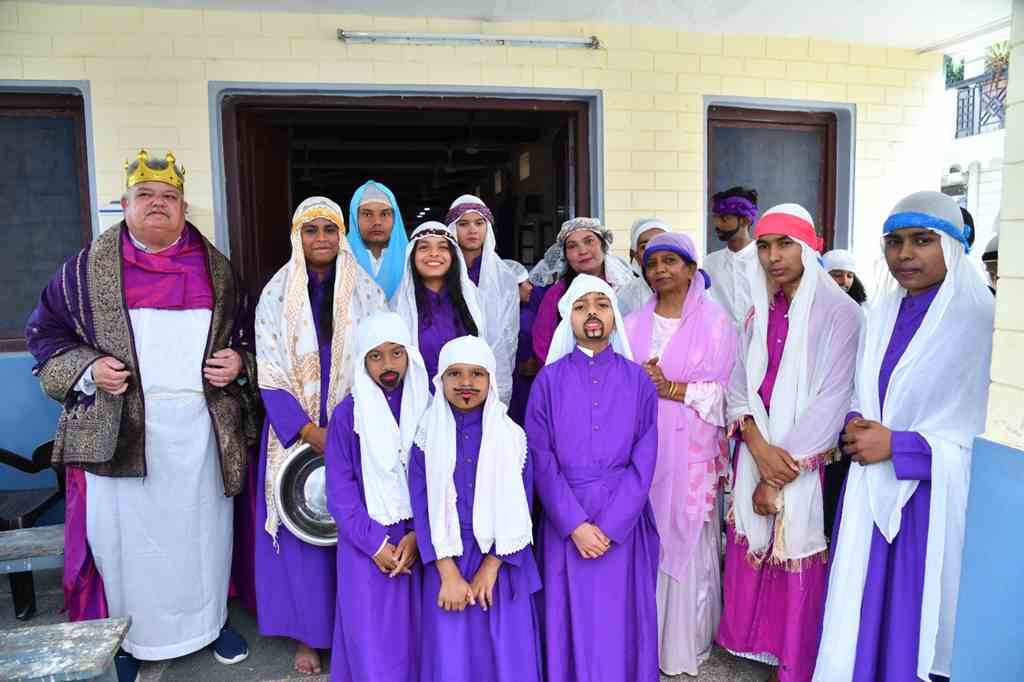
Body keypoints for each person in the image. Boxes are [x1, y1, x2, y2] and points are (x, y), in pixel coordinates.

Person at [25, 149, 259, 681]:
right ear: (125, 204)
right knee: (122, 543)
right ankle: (124, 638)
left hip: (200, 432)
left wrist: (240, 362)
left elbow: (251, 336)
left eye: (170, 196)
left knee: (204, 535)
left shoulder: (218, 271)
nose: (158, 204)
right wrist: (89, 368)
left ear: (184, 207)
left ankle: (211, 623)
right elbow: (44, 336)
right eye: (146, 196)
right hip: (120, 430)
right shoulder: (83, 272)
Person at [815, 192, 995, 682]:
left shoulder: (979, 320)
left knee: (912, 619)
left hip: (928, 501)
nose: (904, 254)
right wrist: (856, 420)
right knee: (861, 611)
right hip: (870, 485)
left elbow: (978, 434)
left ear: (953, 247)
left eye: (922, 240)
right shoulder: (882, 311)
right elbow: (865, 388)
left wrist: (899, 445)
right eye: (894, 242)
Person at [716, 204, 862, 682]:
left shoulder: (841, 313)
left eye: (784, 244)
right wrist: (758, 450)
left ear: (807, 247)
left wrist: (776, 475)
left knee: (796, 543)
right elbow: (739, 386)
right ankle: (758, 645)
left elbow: (833, 399)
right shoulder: (759, 309)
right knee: (759, 543)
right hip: (757, 449)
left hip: (806, 461)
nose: (772, 257)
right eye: (763, 246)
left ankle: (795, 660)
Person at [254, 196, 386, 674]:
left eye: (330, 229)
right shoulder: (275, 293)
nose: (321, 238)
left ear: (341, 235)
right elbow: (269, 368)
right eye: (311, 230)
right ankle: (308, 636)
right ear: (298, 236)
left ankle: (350, 631)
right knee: (302, 531)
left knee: (351, 527)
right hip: (294, 427)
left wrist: (348, 428)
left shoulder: (365, 290)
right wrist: (308, 431)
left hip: (355, 424)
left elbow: (383, 355)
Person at [527, 274, 660, 682]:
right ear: (567, 317)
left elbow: (645, 458)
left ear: (614, 315)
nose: (592, 314)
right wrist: (575, 525)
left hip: (624, 520)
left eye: (601, 305)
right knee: (569, 621)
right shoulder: (547, 381)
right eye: (581, 306)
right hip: (565, 519)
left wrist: (611, 524)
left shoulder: (639, 380)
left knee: (620, 621)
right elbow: (541, 458)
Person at [624, 233, 737, 677]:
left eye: (671, 261)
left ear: (692, 269)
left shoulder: (716, 323)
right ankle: (644, 643)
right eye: (653, 263)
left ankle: (683, 646)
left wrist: (672, 388)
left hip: (691, 452)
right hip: (642, 450)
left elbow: (728, 394)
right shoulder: (631, 323)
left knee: (688, 541)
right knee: (646, 537)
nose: (660, 270)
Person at [408, 335, 542, 682]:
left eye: (476, 374)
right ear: (440, 379)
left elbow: (521, 506)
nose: (466, 383)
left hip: (501, 558)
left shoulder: (512, 436)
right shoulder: (425, 436)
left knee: (505, 654)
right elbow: (422, 508)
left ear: (491, 380)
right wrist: (448, 574)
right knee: (451, 652)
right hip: (446, 556)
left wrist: (491, 567)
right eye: (455, 373)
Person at [325, 312, 430, 682]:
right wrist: (375, 544)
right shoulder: (348, 416)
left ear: (410, 355)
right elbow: (340, 492)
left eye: (396, 353)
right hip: (366, 541)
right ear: (363, 360)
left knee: (420, 638)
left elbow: (439, 479)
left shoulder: (428, 407)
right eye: (376, 356)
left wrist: (418, 535)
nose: (388, 364)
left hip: (419, 539)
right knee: (370, 637)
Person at [391, 221, 487, 384]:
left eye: (442, 247)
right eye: (424, 247)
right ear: (412, 256)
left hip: (465, 393)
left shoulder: (473, 299)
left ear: (453, 256)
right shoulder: (399, 305)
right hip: (418, 395)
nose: (434, 253)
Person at [531, 217, 635, 363]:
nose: (582, 251)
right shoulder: (556, 295)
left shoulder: (624, 287)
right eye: (572, 246)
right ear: (565, 255)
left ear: (603, 245)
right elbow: (543, 344)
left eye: (589, 241)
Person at [446, 195, 518, 403]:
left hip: (492, 365)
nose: (472, 230)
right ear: (452, 229)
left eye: (479, 223)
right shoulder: (442, 271)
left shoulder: (504, 275)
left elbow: (509, 332)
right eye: (463, 224)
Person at [704, 186, 759, 325]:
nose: (717, 224)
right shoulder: (710, 262)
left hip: (759, 336)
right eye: (716, 217)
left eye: (725, 218)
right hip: (721, 337)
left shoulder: (764, 258)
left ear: (745, 220)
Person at [347, 180, 409, 299]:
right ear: (355, 218)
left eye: (384, 214)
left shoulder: (412, 260)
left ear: (395, 218)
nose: (377, 222)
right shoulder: (339, 260)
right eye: (367, 214)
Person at [503, 259, 539, 425]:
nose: (531, 287)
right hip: (520, 384)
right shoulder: (522, 317)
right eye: (526, 283)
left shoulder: (525, 313)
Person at [617, 218, 670, 316]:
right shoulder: (626, 297)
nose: (654, 250)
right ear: (636, 256)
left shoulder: (693, 289)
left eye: (661, 243)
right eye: (644, 246)